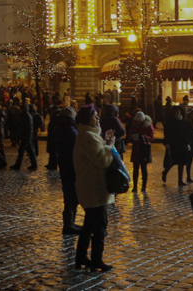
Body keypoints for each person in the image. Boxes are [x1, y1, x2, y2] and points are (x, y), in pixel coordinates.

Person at [73, 104, 116, 272]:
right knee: (100, 225)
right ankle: (96, 259)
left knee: (89, 224)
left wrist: (104, 142)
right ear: (87, 119)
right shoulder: (88, 137)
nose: (98, 119)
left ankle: (81, 257)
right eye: (95, 116)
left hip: (92, 186)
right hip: (94, 188)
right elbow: (103, 160)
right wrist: (110, 145)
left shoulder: (88, 135)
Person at [54, 105, 82, 235]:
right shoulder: (70, 130)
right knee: (71, 196)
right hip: (70, 167)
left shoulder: (62, 127)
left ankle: (70, 223)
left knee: (71, 196)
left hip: (66, 166)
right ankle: (68, 225)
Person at [128, 111, 154, 193]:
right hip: (136, 148)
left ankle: (143, 186)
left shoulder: (148, 126)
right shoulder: (134, 125)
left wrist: (144, 137)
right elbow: (130, 134)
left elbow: (152, 137)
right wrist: (133, 137)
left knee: (143, 168)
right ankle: (135, 186)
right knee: (135, 168)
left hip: (144, 148)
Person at [10, 102, 38, 170]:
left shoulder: (25, 116)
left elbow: (23, 127)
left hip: (26, 136)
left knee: (21, 151)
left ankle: (18, 165)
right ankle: (34, 164)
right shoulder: (27, 116)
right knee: (30, 151)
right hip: (27, 136)